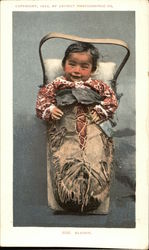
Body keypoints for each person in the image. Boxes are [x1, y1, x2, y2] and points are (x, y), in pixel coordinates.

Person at [36, 42, 118, 213]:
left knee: (95, 153)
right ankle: (68, 195)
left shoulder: (98, 85)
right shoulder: (57, 84)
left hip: (92, 123)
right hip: (66, 126)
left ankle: (93, 195)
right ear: (64, 64)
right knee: (67, 154)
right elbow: (43, 100)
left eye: (84, 67)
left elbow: (111, 100)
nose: (76, 71)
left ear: (93, 69)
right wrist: (51, 109)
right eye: (71, 64)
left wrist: (101, 110)